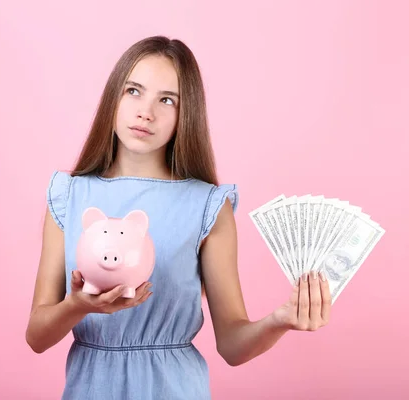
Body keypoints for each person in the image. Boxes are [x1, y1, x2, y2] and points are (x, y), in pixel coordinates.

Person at [25, 35, 332, 399]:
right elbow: (37, 337)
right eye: (134, 91)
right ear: (113, 98)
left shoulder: (208, 206)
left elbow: (232, 345)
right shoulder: (69, 196)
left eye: (166, 100)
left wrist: (279, 321)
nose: (146, 112)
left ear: (186, 114)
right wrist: (77, 305)